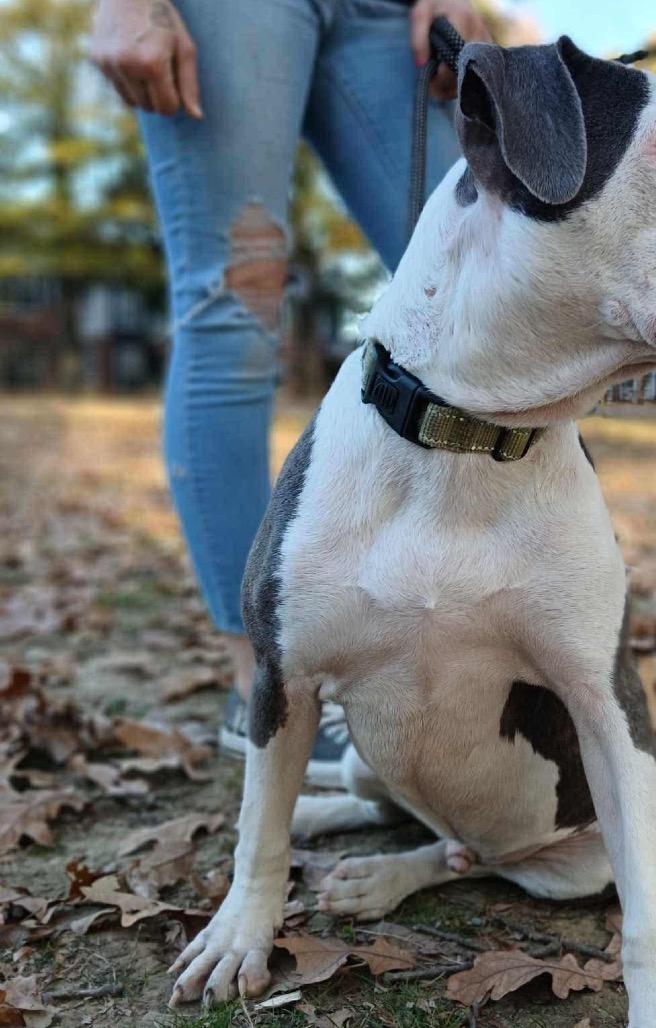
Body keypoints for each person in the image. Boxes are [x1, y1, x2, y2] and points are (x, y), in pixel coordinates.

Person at [88, 0, 490, 783]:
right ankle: (264, 693)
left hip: (386, 13)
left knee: (485, 283)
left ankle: (500, 658)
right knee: (235, 306)